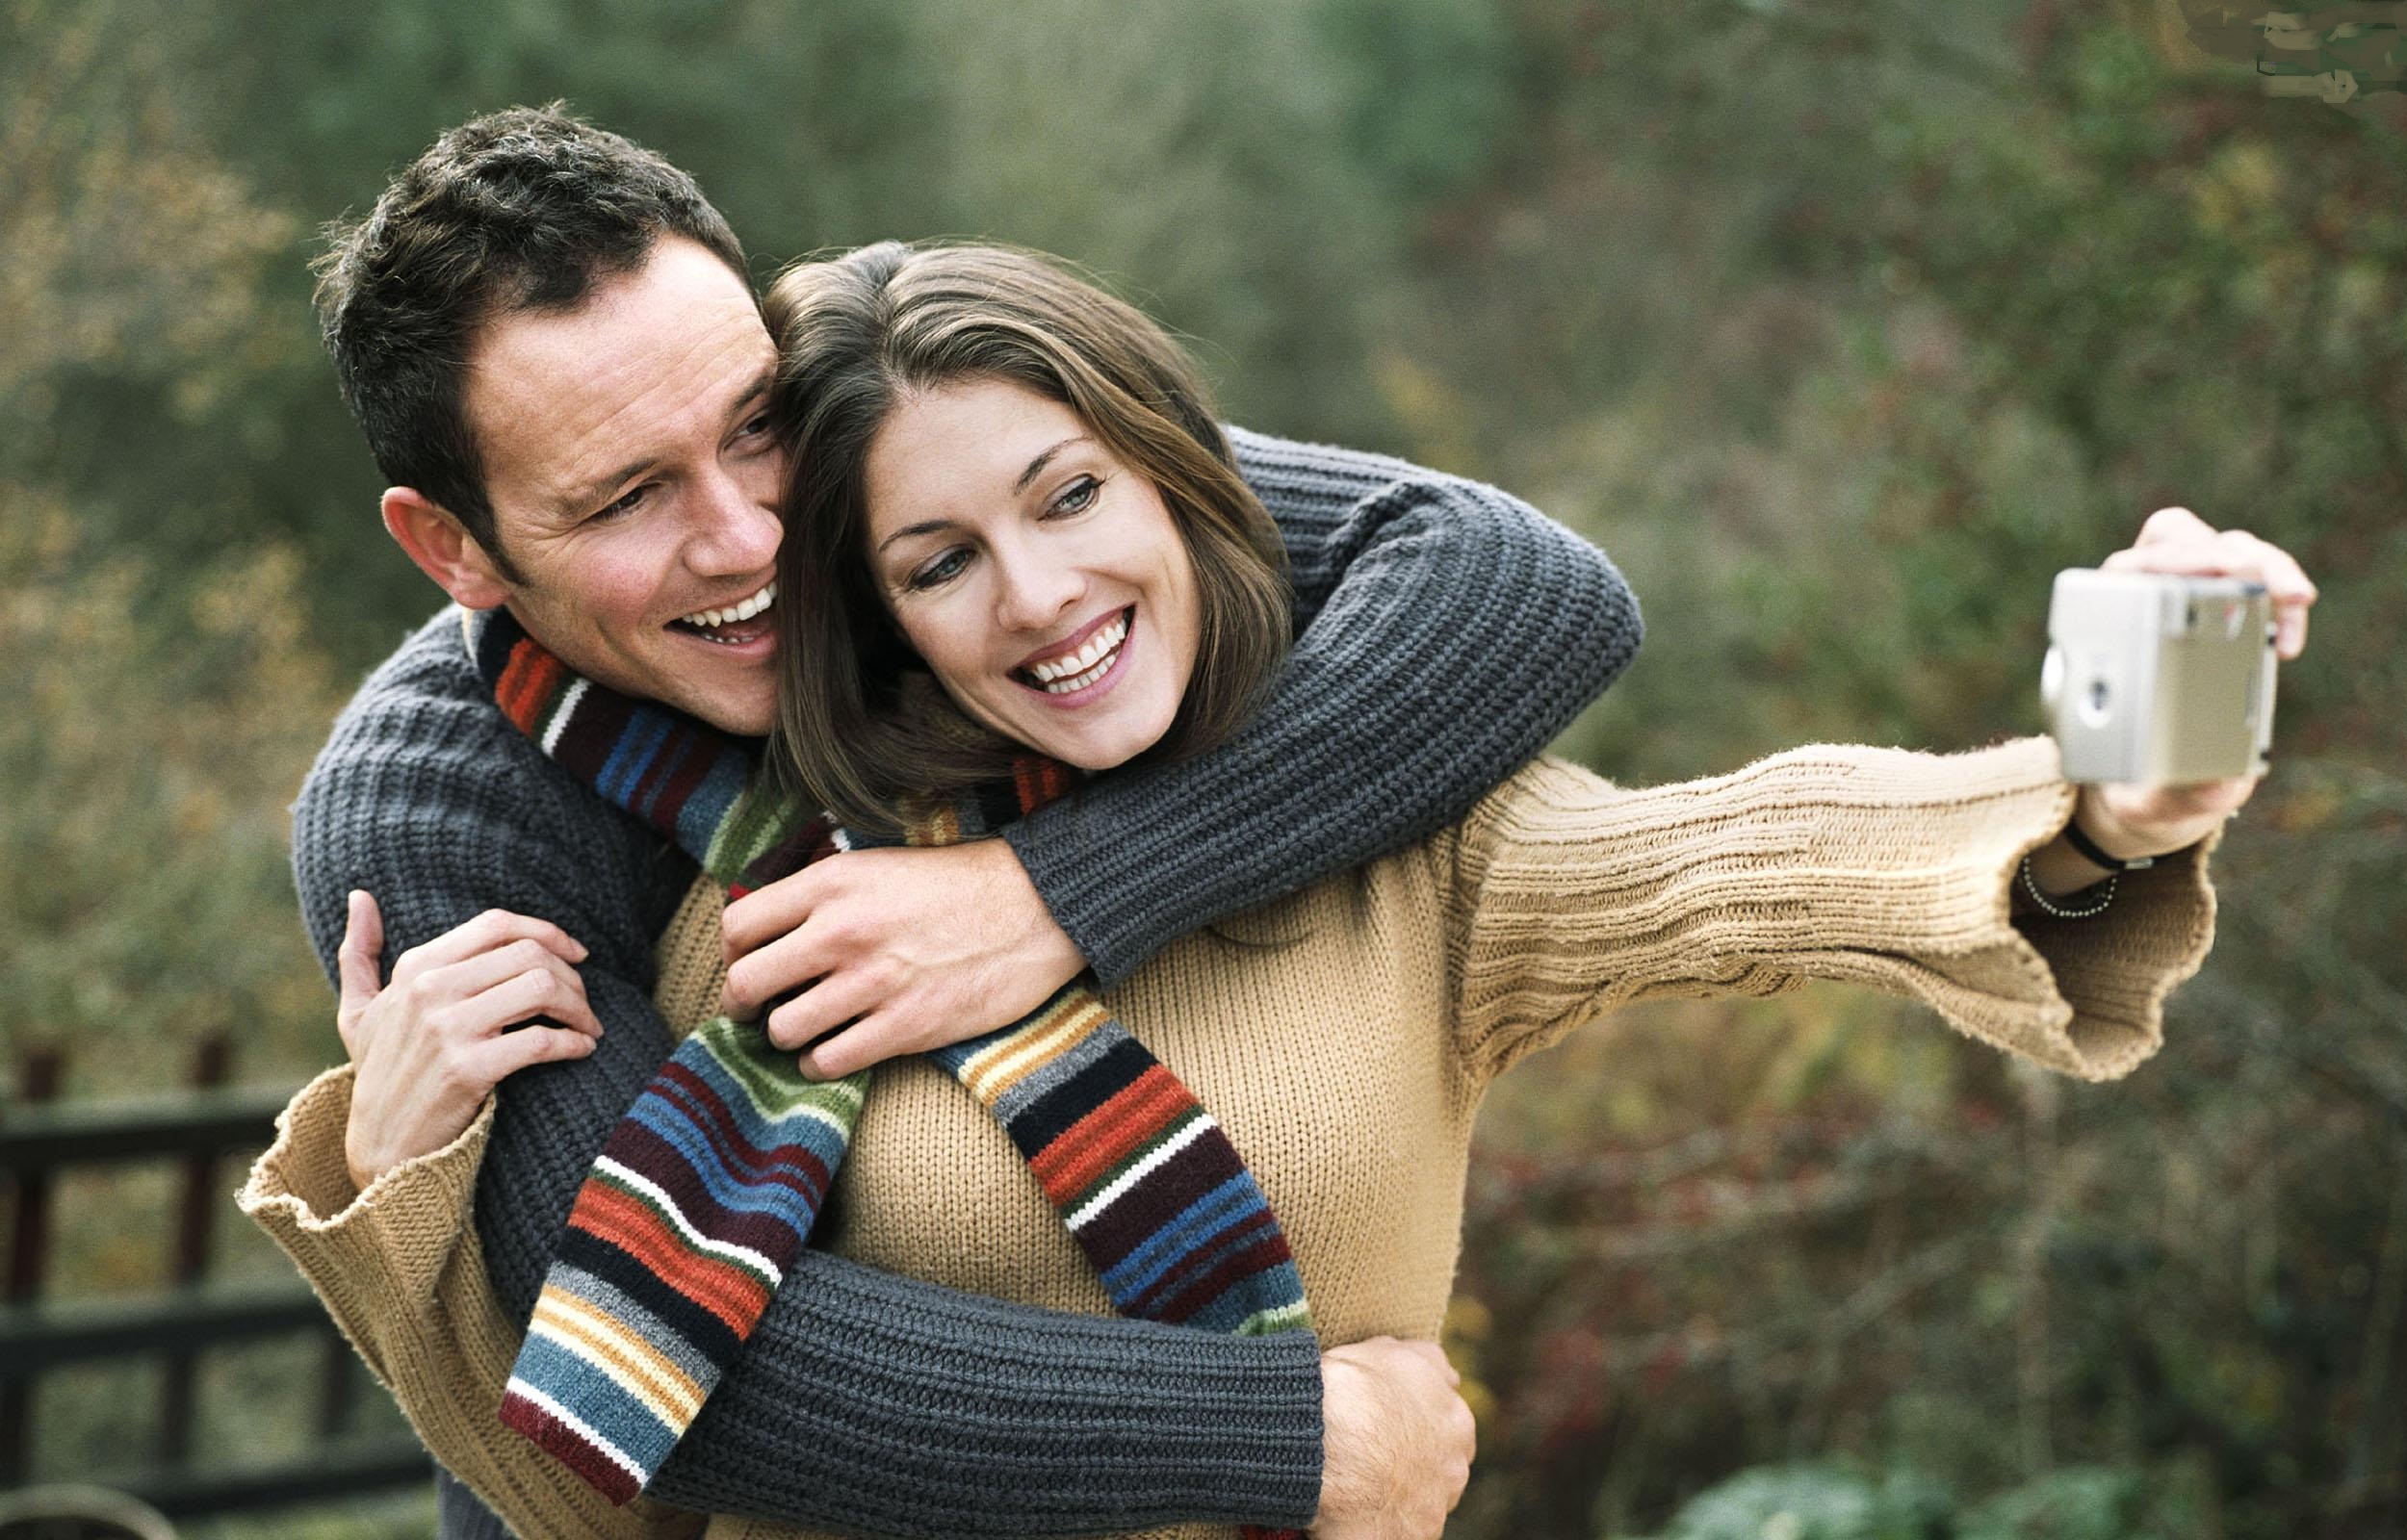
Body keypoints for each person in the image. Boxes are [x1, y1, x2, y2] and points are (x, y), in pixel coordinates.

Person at [245, 240, 2316, 1540]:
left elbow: (1750, 860)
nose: (1039, 593)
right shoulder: (746, 934)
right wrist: (410, 1202)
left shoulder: (1386, 838)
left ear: (1189, 483)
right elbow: (611, 1455)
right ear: (865, 608)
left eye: (1074, 496)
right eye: (939, 559)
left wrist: (2109, 801)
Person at [247, 107, 1645, 1540]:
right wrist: (1298, 1440)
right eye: (626, 498)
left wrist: (1051, 895)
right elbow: (664, 1361)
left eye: (754, 427)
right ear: (454, 549)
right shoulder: (434, 816)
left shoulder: (918, 482)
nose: (748, 538)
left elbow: (1517, 580)